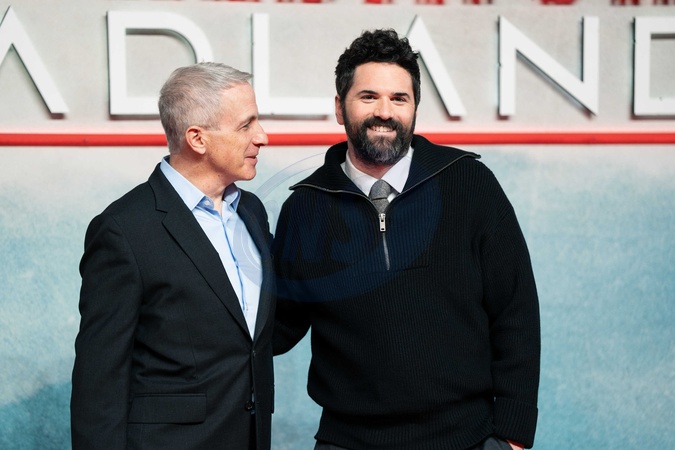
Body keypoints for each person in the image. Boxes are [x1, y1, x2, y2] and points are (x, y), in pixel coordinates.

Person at [272, 30, 540, 450]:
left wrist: (513, 436)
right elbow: (275, 326)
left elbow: (515, 311)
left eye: (399, 98)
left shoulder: (469, 184)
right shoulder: (305, 207)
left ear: (414, 108)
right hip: (348, 441)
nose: (385, 111)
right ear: (340, 108)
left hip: (467, 438)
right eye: (368, 97)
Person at [71, 62, 274, 450]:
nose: (261, 136)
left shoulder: (252, 212)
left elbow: (252, 334)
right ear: (197, 139)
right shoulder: (123, 230)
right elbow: (99, 379)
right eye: (246, 125)